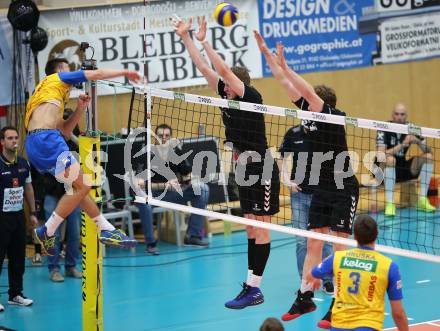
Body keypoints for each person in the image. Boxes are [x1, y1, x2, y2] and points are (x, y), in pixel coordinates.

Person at [174, 16, 280, 309]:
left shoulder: (250, 95)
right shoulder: (225, 95)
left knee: (261, 228)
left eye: (229, 84)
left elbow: (220, 68)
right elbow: (204, 68)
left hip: (262, 168)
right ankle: (250, 285)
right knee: (249, 228)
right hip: (243, 169)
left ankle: (255, 288)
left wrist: (205, 39)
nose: (225, 88)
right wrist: (186, 37)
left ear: (239, 84)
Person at [254, 32, 359, 327]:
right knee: (313, 242)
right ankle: (304, 298)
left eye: (310, 100)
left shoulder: (330, 115)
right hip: (322, 188)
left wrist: (286, 65)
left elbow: (303, 88)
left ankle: (340, 302)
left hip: (343, 187)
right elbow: (287, 85)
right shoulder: (309, 114)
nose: (304, 102)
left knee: (338, 246)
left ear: (320, 104)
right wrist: (268, 57)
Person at [24, 58, 141, 255]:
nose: (71, 77)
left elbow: (65, 131)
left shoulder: (48, 96)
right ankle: (48, 230)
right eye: (69, 70)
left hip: (37, 144)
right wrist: (127, 72)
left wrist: (79, 109)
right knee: (84, 185)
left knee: (79, 188)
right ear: (60, 70)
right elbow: (96, 74)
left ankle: (107, 230)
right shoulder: (57, 78)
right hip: (46, 140)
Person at [307, 215, 409, 331]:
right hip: (368, 326)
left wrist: (315, 278)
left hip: (339, 326)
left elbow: (311, 274)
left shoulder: (338, 258)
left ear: (354, 236)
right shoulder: (389, 266)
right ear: (377, 234)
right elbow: (398, 313)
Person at [279, 123, 334, 294]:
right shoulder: (293, 133)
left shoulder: (324, 132)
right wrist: (287, 180)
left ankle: (327, 280)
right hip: (299, 195)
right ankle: (306, 282)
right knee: (302, 241)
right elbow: (281, 159)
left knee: (326, 240)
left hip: (321, 195)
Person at [138, 123, 210, 248]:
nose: (164, 138)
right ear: (155, 138)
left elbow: (188, 173)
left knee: (202, 189)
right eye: (161, 136)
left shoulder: (175, 152)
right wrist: (164, 185)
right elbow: (139, 184)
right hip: (152, 196)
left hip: (172, 194)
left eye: (167, 136)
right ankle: (151, 243)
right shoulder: (147, 153)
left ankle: (192, 236)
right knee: (143, 202)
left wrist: (191, 180)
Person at [0, 126, 38, 312]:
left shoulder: (24, 164)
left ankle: (15, 294)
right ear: (2, 142)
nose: (14, 141)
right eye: (9, 138)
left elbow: (28, 188)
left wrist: (32, 212)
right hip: (1, 219)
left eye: (16, 137)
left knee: (18, 258)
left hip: (17, 217)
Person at [377, 103, 435, 216]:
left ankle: (422, 200)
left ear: (406, 116)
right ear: (392, 116)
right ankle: (390, 203)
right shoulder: (383, 128)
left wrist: (417, 141)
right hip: (381, 169)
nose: (399, 117)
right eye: (397, 114)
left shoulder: (412, 127)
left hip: (402, 166)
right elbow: (380, 155)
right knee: (390, 160)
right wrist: (403, 145)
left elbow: (430, 151)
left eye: (402, 114)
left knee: (428, 157)